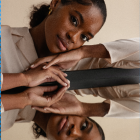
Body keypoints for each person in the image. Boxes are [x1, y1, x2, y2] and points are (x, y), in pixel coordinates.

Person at [1, 0, 107, 133]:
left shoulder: (61, 85)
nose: (73, 37)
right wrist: (24, 79)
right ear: (55, 3)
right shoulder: (3, 39)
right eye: (74, 20)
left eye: (84, 37)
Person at [30, 37, 140, 118]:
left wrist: (82, 109)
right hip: (51, 56)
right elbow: (85, 51)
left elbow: (105, 110)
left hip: (58, 96)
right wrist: (81, 52)